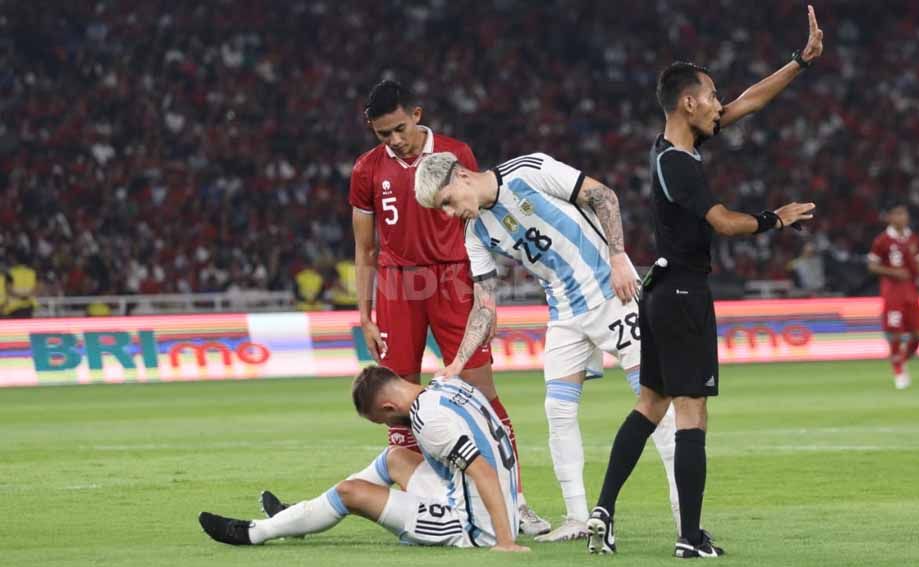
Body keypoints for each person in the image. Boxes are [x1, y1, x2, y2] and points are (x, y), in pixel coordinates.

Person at [587, 5, 824, 558]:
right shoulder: (680, 166)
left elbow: (748, 104)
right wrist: (775, 218)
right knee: (692, 413)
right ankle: (690, 539)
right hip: (685, 294)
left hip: (663, 291)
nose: (720, 103)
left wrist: (799, 63)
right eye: (711, 94)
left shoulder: (674, 149)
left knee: (650, 404)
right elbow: (722, 221)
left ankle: (603, 510)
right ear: (689, 102)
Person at [414, 151, 688, 543]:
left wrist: (618, 257)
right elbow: (484, 305)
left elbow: (603, 196)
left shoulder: (530, 169)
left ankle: (684, 522)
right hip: (564, 313)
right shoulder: (476, 233)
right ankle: (577, 517)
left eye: (446, 202)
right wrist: (457, 362)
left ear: (461, 176)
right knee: (557, 410)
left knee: (657, 407)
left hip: (612, 295)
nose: (448, 214)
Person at [349, 80, 547, 534]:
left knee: (482, 393)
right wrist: (365, 314)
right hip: (397, 287)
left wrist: (483, 291)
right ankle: (420, 504)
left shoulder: (458, 153)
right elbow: (365, 249)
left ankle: (514, 503)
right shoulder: (366, 170)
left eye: (399, 128)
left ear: (417, 114)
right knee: (395, 400)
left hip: (454, 279)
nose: (394, 140)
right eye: (383, 134)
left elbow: (477, 223)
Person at [198, 366, 529, 552]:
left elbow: (482, 472)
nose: (387, 425)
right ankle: (297, 516)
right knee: (395, 457)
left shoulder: (429, 420)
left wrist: (504, 542)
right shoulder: (444, 385)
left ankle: (256, 532)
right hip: (489, 503)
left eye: (380, 420)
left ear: (387, 407)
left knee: (350, 492)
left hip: (471, 526)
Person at [867, 203, 919, 389]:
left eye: (904, 214)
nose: (902, 217)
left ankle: (900, 360)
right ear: (889, 218)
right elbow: (872, 266)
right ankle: (898, 371)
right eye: (897, 214)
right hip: (892, 292)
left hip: (911, 291)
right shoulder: (882, 240)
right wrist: (892, 272)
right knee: (895, 333)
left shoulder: (913, 238)